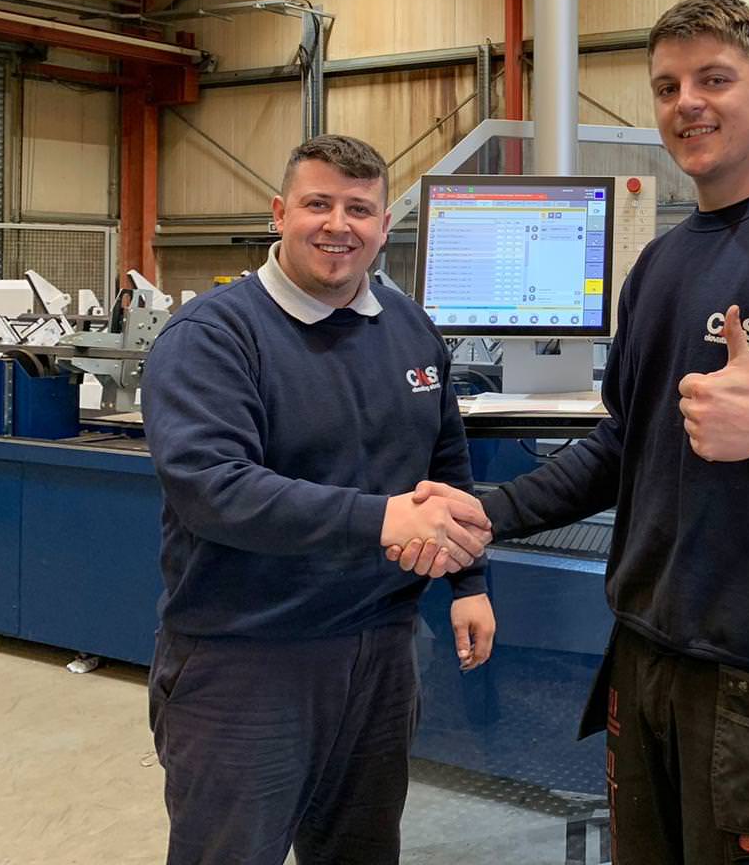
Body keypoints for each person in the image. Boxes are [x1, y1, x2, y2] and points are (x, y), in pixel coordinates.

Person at [395, 0, 749, 863]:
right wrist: (491, 511)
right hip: (643, 655)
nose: (687, 103)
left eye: (714, 79)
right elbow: (622, 445)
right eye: (667, 87)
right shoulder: (660, 264)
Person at [142, 133, 495, 865]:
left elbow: (445, 460)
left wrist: (469, 581)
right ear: (279, 213)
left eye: (359, 209)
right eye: (318, 204)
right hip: (248, 659)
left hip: (383, 653)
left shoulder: (408, 327)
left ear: (384, 226)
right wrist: (382, 518)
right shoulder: (214, 335)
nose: (339, 225)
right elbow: (215, 488)